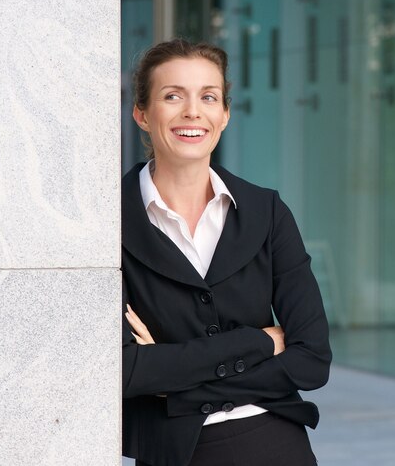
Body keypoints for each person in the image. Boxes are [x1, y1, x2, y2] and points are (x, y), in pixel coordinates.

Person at [122, 39, 331, 466]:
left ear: (225, 114)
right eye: (172, 96)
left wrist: (174, 381)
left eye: (208, 97)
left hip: (276, 443)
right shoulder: (109, 220)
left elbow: (312, 361)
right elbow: (126, 372)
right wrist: (258, 342)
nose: (192, 112)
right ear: (142, 114)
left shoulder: (266, 211)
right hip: (173, 453)